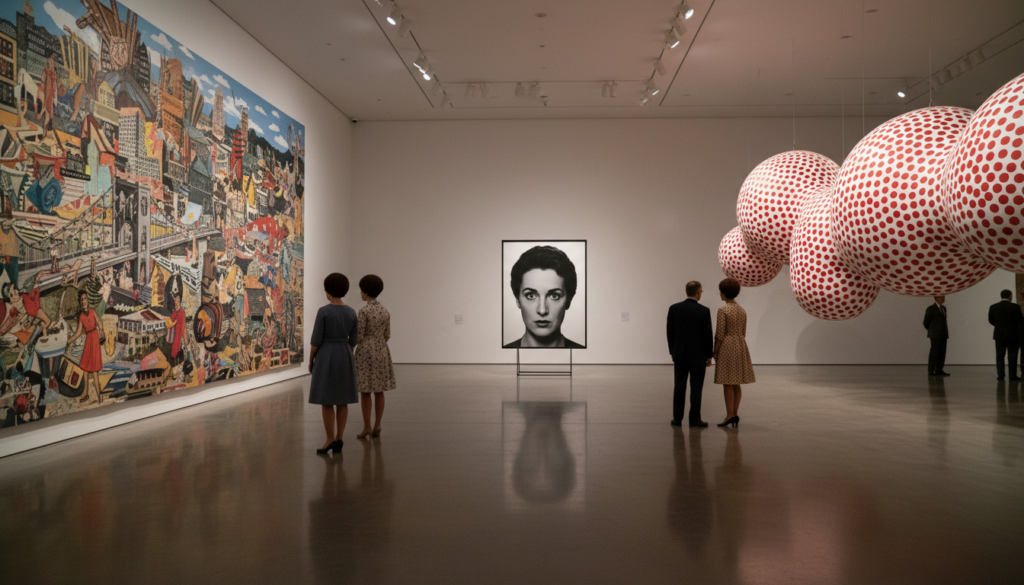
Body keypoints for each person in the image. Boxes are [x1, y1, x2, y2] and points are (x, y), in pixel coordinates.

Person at [308, 273, 359, 454]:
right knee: (342, 399)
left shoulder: (324, 311)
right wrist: (345, 349)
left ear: (327, 292)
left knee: (327, 399)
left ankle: (329, 438)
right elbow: (354, 339)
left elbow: (316, 340)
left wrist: (311, 359)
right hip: (345, 353)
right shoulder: (351, 312)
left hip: (326, 353)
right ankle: (339, 438)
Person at [504, 245, 584, 348]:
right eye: (531, 295)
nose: (542, 310)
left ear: (569, 300)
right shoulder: (498, 358)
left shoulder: (587, 358)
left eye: (554, 296)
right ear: (517, 299)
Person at [667, 280, 714, 428]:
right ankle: (694, 419)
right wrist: (709, 355)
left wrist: (673, 351)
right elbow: (707, 335)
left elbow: (670, 333)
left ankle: (677, 418)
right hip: (698, 356)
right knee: (696, 388)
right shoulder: (704, 311)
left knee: (679, 386)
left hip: (680, 354)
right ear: (698, 293)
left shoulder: (674, 308)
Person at [354, 274, 396, 439]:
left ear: (365, 291)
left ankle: (367, 426)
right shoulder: (385, 311)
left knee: (365, 391)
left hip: (366, 351)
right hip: (381, 349)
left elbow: (359, 335)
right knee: (379, 390)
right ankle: (378, 424)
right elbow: (388, 334)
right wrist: (379, 342)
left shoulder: (364, 311)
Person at [713, 278, 755, 428]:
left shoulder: (723, 310)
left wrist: (715, 350)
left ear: (723, 293)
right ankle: (735, 413)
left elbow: (719, 333)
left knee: (727, 383)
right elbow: (743, 331)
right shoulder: (742, 310)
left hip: (727, 346)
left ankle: (729, 415)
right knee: (736, 382)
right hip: (740, 344)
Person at [67, 290, 105, 406]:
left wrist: (101, 330)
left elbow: (100, 323)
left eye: (85, 299)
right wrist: (69, 340)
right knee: (84, 369)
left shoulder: (93, 312)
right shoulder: (81, 317)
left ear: (87, 300)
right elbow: (78, 332)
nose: (83, 301)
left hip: (94, 341)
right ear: (80, 302)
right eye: (81, 299)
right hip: (89, 341)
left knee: (94, 372)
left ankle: (99, 398)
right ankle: (86, 393)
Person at [988, 289, 1023, 381]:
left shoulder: (994, 307)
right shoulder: (1015, 307)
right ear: (1010, 296)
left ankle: (1000, 375)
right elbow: (1020, 320)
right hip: (1013, 335)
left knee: (999, 355)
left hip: (999, 335)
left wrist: (999, 326)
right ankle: (1012, 376)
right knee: (1012, 356)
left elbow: (991, 320)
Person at [923, 296, 950, 377]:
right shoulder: (931, 308)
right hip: (935, 334)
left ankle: (939, 370)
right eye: (940, 298)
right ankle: (931, 370)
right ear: (935, 298)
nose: (942, 299)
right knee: (934, 353)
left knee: (942, 353)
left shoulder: (944, 308)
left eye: (944, 297)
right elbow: (925, 322)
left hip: (943, 334)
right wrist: (932, 330)